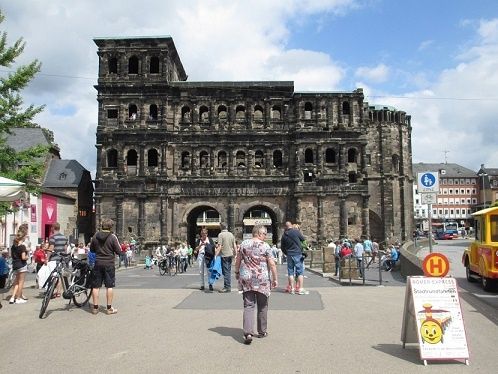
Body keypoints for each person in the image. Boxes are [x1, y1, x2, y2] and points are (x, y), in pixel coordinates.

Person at [234, 225, 278, 344]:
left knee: (248, 305)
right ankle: (262, 331)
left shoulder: (243, 244)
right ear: (258, 233)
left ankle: (248, 332)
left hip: (246, 277)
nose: (265, 236)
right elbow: (272, 264)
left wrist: (237, 272)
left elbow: (238, 260)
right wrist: (275, 278)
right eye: (264, 234)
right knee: (262, 306)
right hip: (262, 278)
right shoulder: (265, 246)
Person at [89, 218, 122, 315]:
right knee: (109, 286)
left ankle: (95, 308)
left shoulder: (95, 236)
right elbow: (119, 251)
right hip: (109, 264)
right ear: (111, 227)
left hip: (98, 263)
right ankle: (109, 308)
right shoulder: (113, 237)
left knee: (95, 286)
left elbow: (92, 250)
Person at [280, 221, 308, 295]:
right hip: (297, 253)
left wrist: (287, 253)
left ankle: (292, 289)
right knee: (300, 271)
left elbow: (282, 247)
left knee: (290, 272)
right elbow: (303, 239)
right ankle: (300, 289)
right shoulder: (296, 232)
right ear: (291, 225)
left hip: (289, 254)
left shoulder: (284, 235)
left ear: (285, 227)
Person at [47, 222, 68, 298]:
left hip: (54, 259)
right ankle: (58, 292)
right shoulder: (64, 237)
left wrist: (47, 258)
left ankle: (51, 291)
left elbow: (51, 248)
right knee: (60, 276)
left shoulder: (52, 237)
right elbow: (65, 249)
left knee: (53, 276)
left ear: (53, 228)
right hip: (62, 259)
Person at [9, 227, 29, 304]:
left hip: (15, 264)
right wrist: (27, 257)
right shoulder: (22, 247)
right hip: (22, 265)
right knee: (21, 282)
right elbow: (23, 257)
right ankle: (18, 298)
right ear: (23, 237)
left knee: (16, 282)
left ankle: (12, 297)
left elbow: (12, 256)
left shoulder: (13, 246)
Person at [216, 222, 237, 293]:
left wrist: (215, 255)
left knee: (226, 271)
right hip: (230, 255)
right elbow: (234, 245)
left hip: (224, 255)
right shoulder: (231, 234)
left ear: (221, 227)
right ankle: (228, 286)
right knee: (228, 271)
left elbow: (219, 246)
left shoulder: (221, 235)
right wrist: (235, 254)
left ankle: (227, 287)